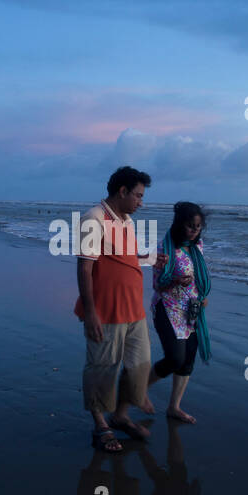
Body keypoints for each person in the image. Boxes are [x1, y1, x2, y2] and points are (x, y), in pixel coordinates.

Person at [75, 166, 155, 452]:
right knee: (102, 367)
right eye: (138, 195)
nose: (140, 202)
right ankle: (101, 426)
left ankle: (120, 415)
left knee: (139, 363)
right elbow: (85, 268)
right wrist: (90, 312)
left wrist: (149, 259)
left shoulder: (126, 220)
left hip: (134, 309)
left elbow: (124, 257)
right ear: (122, 191)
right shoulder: (93, 219)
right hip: (106, 310)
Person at [147, 202, 211, 423]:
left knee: (187, 361)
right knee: (175, 358)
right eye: (190, 226)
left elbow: (199, 277)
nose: (194, 231)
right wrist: (174, 280)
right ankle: (136, 390)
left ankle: (174, 407)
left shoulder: (197, 247)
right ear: (179, 224)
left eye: (198, 226)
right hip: (168, 308)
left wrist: (202, 297)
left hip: (191, 310)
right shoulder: (164, 250)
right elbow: (157, 285)